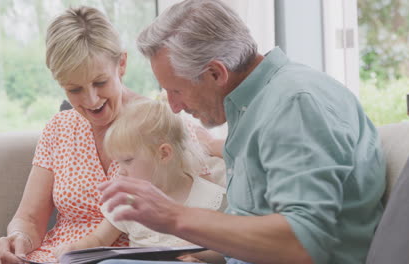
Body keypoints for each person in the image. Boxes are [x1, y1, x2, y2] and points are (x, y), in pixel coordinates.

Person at [97, 1, 386, 264]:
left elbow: (302, 243)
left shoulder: (294, 104)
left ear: (216, 73)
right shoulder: (256, 106)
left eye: (177, 90)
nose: (174, 107)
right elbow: (255, 227)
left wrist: (174, 217)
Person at [0, 6, 215, 264]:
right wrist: (18, 240)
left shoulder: (163, 124)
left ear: (122, 64)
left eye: (99, 83)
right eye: (74, 89)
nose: (91, 100)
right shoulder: (59, 128)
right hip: (57, 256)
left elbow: (203, 210)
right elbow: (29, 218)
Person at [53, 100, 226, 262]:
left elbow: (229, 251)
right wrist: (75, 249)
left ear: (164, 153)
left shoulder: (213, 199)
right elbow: (98, 238)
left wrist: (197, 254)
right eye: (117, 162)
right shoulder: (127, 200)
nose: (120, 170)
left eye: (127, 160)